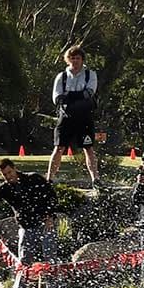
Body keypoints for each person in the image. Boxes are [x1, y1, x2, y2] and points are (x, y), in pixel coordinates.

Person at [0, 159, 60, 288]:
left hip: (45, 224)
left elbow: (52, 197)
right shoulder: (5, 188)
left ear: (15, 168)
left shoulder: (34, 178)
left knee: (50, 259)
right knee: (23, 262)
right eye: (4, 175)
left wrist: (50, 216)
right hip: (26, 227)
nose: (8, 176)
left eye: (9, 172)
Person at [48, 44, 104, 191]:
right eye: (72, 58)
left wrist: (70, 96)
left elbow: (89, 92)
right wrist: (74, 96)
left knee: (88, 148)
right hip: (66, 116)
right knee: (58, 148)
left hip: (84, 117)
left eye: (77, 58)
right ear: (67, 59)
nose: (75, 61)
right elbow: (57, 97)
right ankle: (49, 178)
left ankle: (95, 179)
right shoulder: (62, 76)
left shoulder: (90, 74)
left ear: (82, 59)